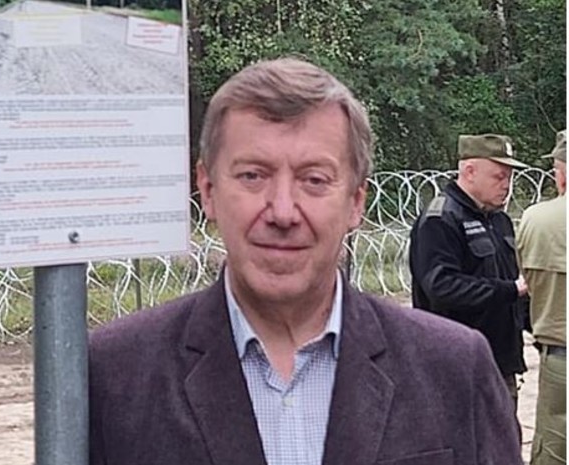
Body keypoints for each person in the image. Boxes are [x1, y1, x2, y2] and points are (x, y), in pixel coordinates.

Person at [89, 58, 522, 465]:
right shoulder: (114, 376)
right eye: (252, 175)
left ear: (356, 202)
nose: (282, 211)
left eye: (314, 180)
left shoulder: (453, 370)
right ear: (207, 190)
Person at [409, 133, 529, 405]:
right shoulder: (441, 219)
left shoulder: (499, 220)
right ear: (470, 171)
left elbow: (515, 284)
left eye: (510, 177)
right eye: (499, 177)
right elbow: (442, 287)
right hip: (456, 367)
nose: (506, 185)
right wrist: (509, 290)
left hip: (500, 362)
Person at [516, 129, 566, 465]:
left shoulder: (536, 220)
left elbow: (526, 281)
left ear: (561, 175)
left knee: (553, 450)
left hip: (559, 356)